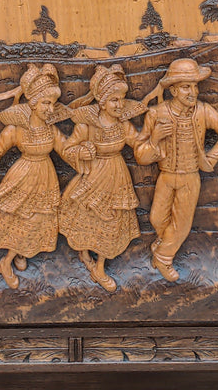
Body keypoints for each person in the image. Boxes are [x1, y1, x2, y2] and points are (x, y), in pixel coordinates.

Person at [0, 63, 90, 289]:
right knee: (22, 217)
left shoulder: (50, 129)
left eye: (52, 104)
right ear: (32, 103)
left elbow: (65, 148)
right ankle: (7, 261)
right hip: (24, 176)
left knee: (39, 219)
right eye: (45, 103)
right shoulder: (17, 129)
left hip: (46, 176)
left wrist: (80, 151)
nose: (50, 109)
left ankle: (24, 252)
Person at [136, 58, 218, 282]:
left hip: (190, 177)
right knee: (156, 219)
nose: (192, 92)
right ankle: (164, 243)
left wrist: (212, 158)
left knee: (182, 224)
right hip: (165, 177)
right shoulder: (156, 114)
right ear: (173, 90)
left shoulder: (203, 111)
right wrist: (154, 140)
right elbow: (140, 155)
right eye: (186, 87)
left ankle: (163, 257)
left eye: (195, 86)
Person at [60, 65, 159, 292]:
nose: (119, 104)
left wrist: (155, 139)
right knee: (87, 219)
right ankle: (85, 254)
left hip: (116, 175)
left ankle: (100, 267)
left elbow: (138, 143)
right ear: (102, 102)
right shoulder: (87, 126)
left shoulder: (123, 125)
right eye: (114, 100)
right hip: (92, 176)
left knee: (111, 221)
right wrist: (81, 152)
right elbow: (68, 149)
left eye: (122, 99)